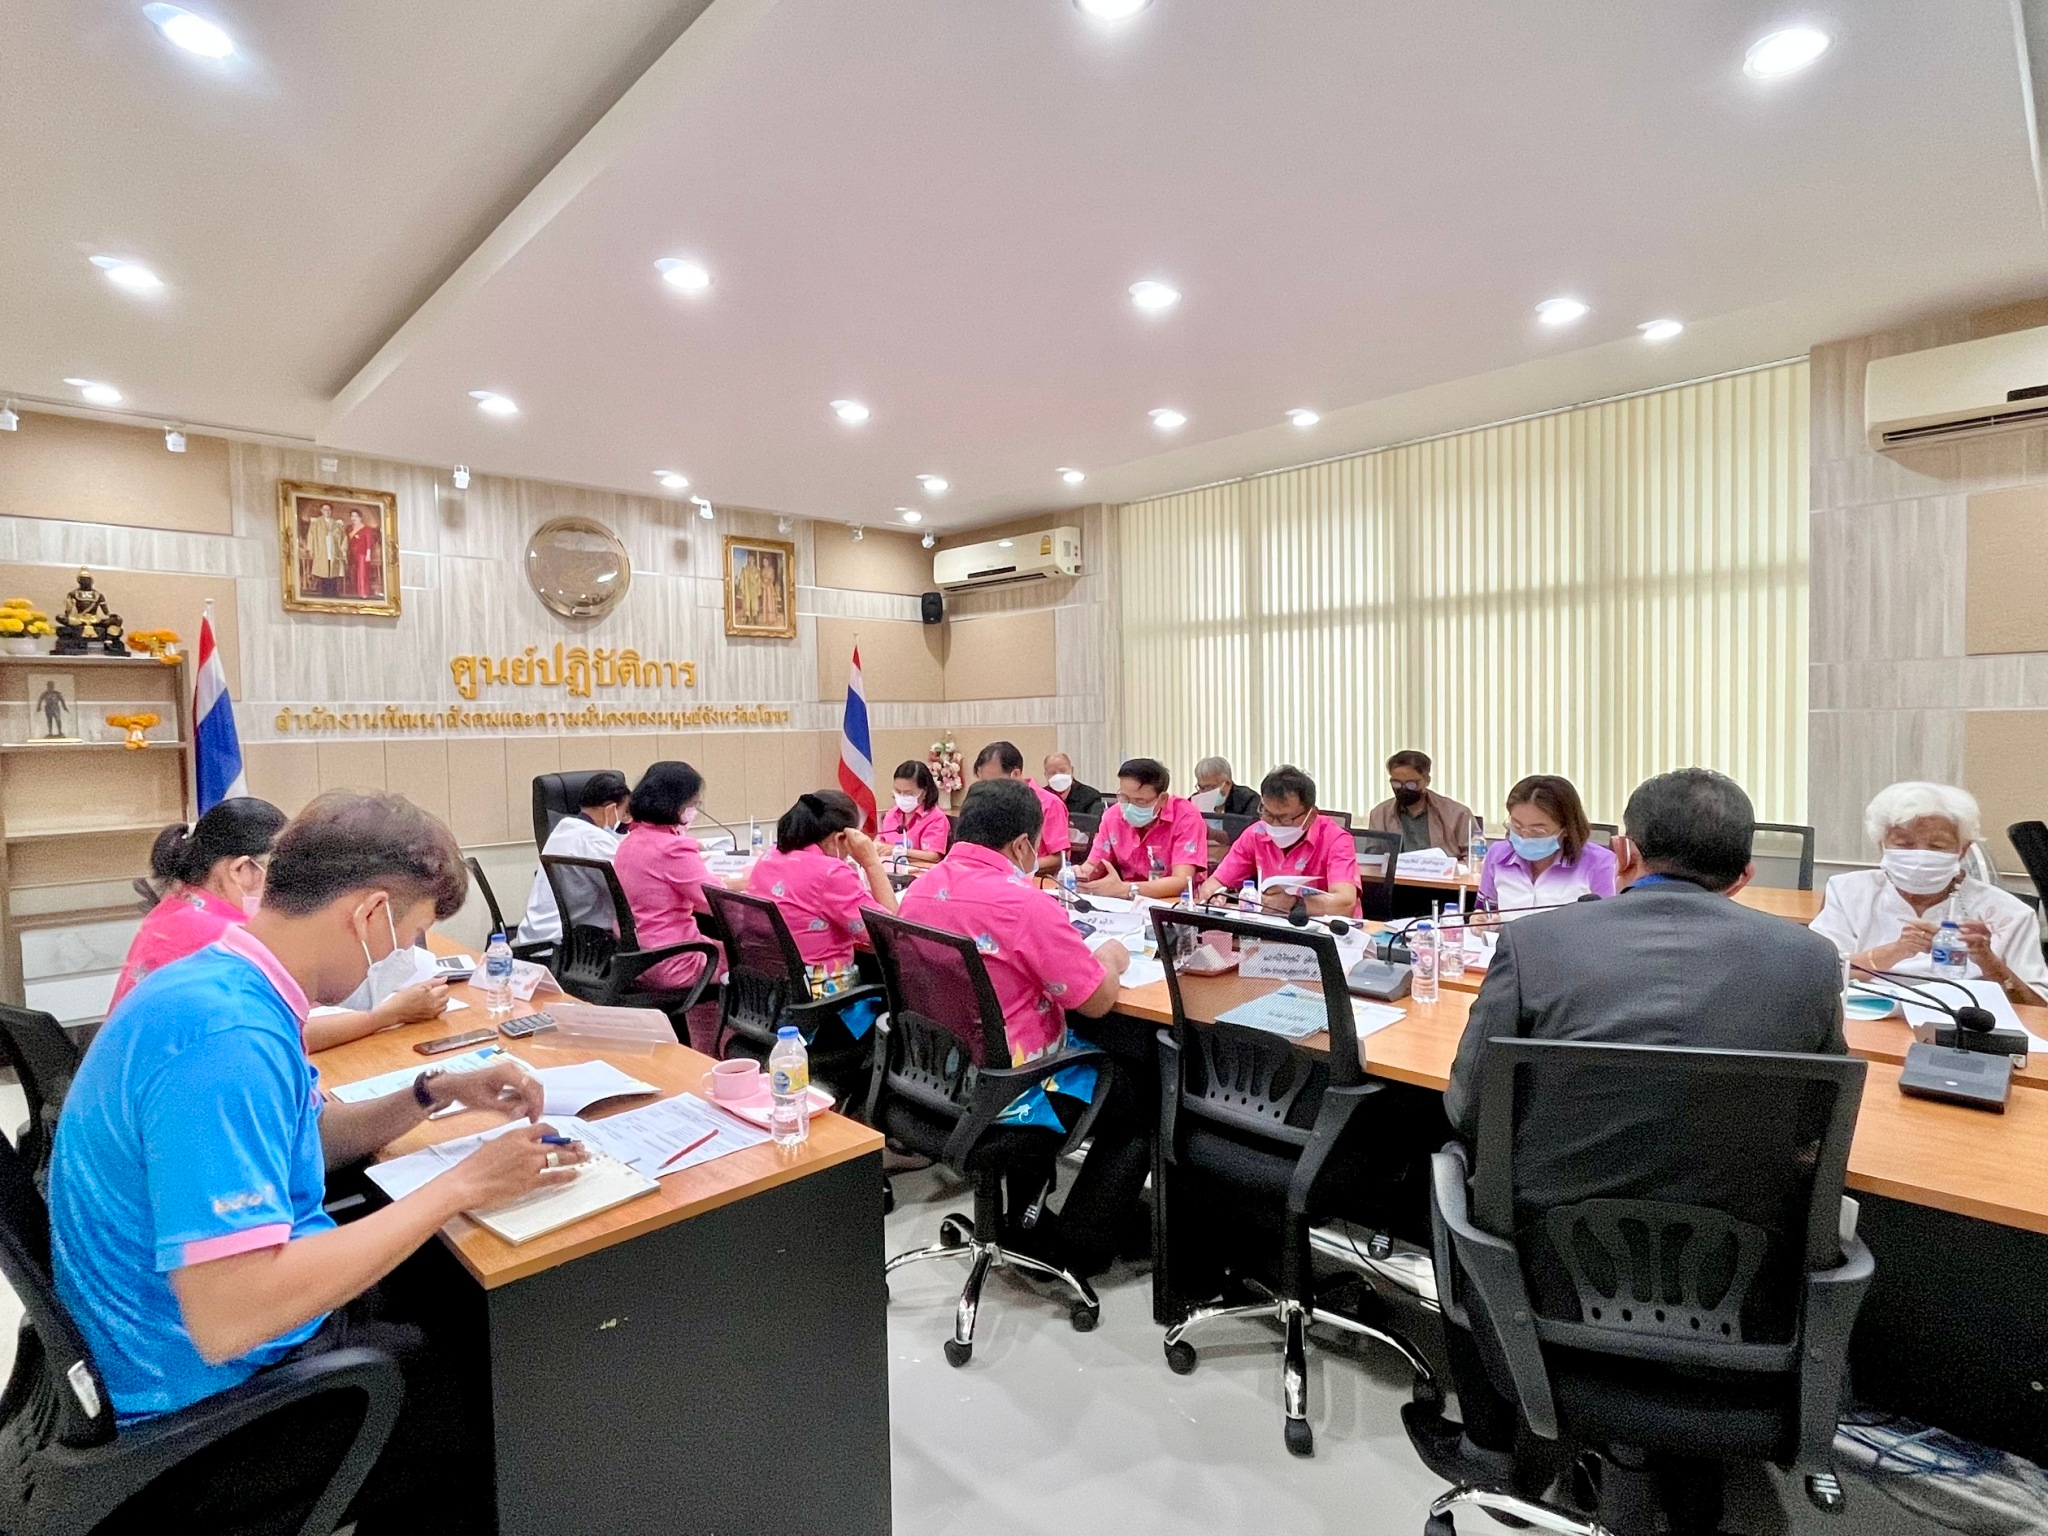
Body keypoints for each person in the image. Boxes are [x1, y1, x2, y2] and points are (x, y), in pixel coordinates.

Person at [48, 792, 587, 1533]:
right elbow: (230, 1316)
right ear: (368, 917)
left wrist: (430, 1091)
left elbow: (304, 1140)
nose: (409, 956)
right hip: (203, 1410)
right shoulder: (226, 1037)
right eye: (414, 933)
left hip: (172, 1345)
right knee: (515, 1401)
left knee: (459, 1298)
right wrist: (462, 1184)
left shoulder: (226, 985)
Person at [1433, 768, 1846, 1505]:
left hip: (1554, 1268)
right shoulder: (1809, 961)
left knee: (1446, 1177)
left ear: (1623, 850)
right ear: (1745, 873)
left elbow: (1468, 1108)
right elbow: (1810, 1125)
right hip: (1739, 1280)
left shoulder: (1537, 945)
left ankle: (1488, 1446)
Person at [898, 778, 1143, 1277]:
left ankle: (1025, 1213)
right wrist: (1112, 959)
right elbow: (1095, 1002)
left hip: (937, 1079)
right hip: (1012, 1093)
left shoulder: (920, 890)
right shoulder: (1024, 903)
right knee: (1141, 1099)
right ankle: (1081, 1245)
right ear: (1023, 845)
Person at [112, 799, 445, 1051]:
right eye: (278, 869)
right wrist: (388, 1014)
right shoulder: (217, 937)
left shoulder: (184, 906)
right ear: (242, 870)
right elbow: (290, 1032)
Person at [1812, 781, 2047, 1005]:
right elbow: (1815, 975)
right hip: (1867, 1022)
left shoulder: (2011, 913)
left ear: (1962, 849)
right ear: (1881, 845)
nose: (1920, 856)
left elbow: (2038, 1007)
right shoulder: (1848, 892)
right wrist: (1896, 951)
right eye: (1904, 844)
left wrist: (1989, 961)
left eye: (1937, 846)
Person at [746, 789, 898, 994]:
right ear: (840, 838)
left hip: (768, 987)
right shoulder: (831, 873)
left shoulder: (770, 856)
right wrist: (871, 863)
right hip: (819, 990)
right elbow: (890, 933)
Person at [611, 761, 718, 998]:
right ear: (676, 804)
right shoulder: (673, 848)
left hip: (637, 958)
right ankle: (715, 1034)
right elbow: (716, 902)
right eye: (693, 804)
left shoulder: (631, 841)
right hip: (674, 960)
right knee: (752, 962)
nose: (694, 810)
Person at [1196, 765, 1360, 918]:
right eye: (1267, 813)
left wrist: (1294, 904)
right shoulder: (1256, 833)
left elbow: (1345, 903)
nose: (1274, 824)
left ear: (1311, 814)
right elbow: (1216, 881)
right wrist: (1213, 894)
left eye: (1285, 818)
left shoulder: (1336, 839)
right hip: (1272, 931)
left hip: (1328, 934)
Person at [1475, 774, 1618, 916]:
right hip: (1508, 939)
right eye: (1517, 826)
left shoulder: (1599, 863)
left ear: (1566, 829)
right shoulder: (1498, 855)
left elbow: (1607, 925)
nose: (1525, 837)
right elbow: (1486, 910)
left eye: (1537, 831)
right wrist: (1481, 921)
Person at [521, 769, 631, 944]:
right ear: (611, 809)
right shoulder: (595, 840)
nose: (625, 818)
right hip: (569, 942)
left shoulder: (563, 828)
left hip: (541, 935)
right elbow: (628, 890)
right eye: (624, 811)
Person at [1076, 757, 1208, 901]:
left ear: (1162, 799)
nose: (1129, 807)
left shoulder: (1185, 816)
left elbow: (1182, 881)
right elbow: (1094, 865)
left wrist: (1127, 889)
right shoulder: (1112, 816)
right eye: (1124, 798)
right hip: (1126, 903)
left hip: (1174, 903)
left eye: (1140, 801)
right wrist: (1080, 875)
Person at [974, 741, 1068, 874]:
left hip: (1036, 880)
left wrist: (1012, 867)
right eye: (983, 783)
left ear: (1016, 774)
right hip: (995, 876)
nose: (988, 790)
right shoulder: (987, 803)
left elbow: (1059, 859)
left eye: (995, 783)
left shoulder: (1049, 803)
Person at [1367, 749, 1475, 856]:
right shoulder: (1379, 814)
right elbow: (1374, 858)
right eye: (1396, 783)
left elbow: (1474, 858)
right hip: (1397, 872)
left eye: (1411, 784)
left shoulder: (1457, 814)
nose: (1403, 788)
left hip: (1443, 872)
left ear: (1426, 781)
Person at [879, 759, 951, 865]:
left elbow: (934, 856)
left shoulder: (936, 818)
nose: (902, 797)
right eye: (898, 792)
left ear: (925, 791)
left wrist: (900, 852)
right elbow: (882, 842)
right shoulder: (892, 814)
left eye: (908, 793)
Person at [1043, 752, 1106, 819]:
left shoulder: (1090, 796)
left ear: (1072, 770)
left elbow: (1092, 825)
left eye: (1062, 771)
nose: (1058, 776)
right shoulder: (1039, 798)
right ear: (1046, 776)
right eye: (1052, 773)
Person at [1192, 756, 1260, 817]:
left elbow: (1250, 828)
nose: (1204, 793)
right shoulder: (1193, 802)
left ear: (1228, 784)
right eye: (1202, 788)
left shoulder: (1248, 799)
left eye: (1211, 788)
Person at [346, 507, 380, 600]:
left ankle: (363, 592)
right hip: (353, 554)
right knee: (354, 573)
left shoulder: (366, 528)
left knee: (362, 574)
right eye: (352, 516)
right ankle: (356, 592)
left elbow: (369, 542)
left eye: (356, 516)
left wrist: (368, 554)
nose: (354, 518)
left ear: (360, 517)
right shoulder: (349, 528)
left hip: (362, 554)